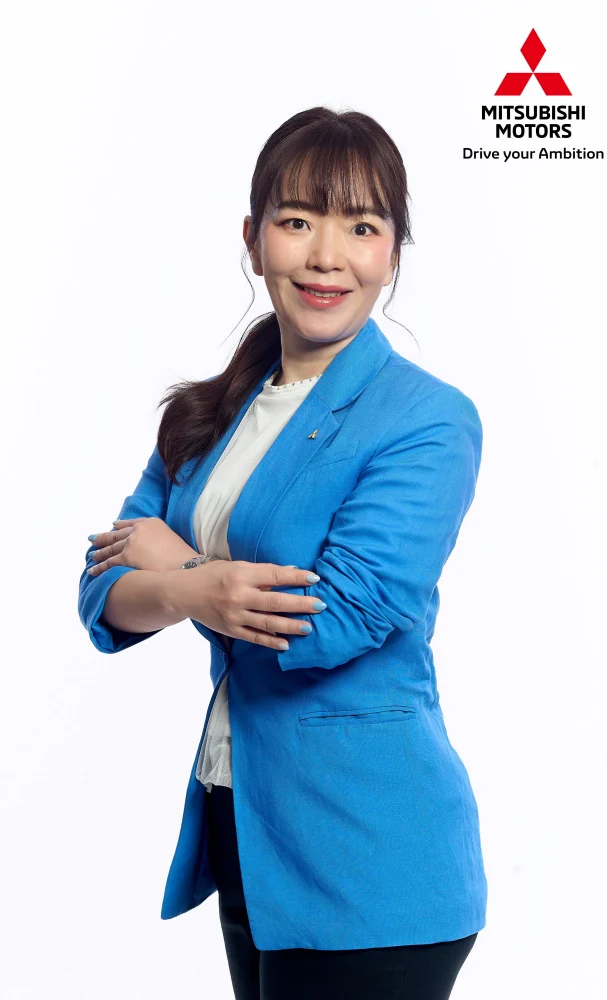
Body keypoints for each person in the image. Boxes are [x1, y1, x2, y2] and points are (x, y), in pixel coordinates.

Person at [79, 106, 487, 999]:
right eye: (298, 220)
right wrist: (195, 589)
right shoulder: (208, 413)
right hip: (247, 828)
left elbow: (333, 620)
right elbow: (102, 589)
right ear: (253, 239)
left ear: (393, 253)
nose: (326, 255)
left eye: (362, 227)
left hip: (371, 852)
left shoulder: (426, 420)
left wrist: (181, 572)